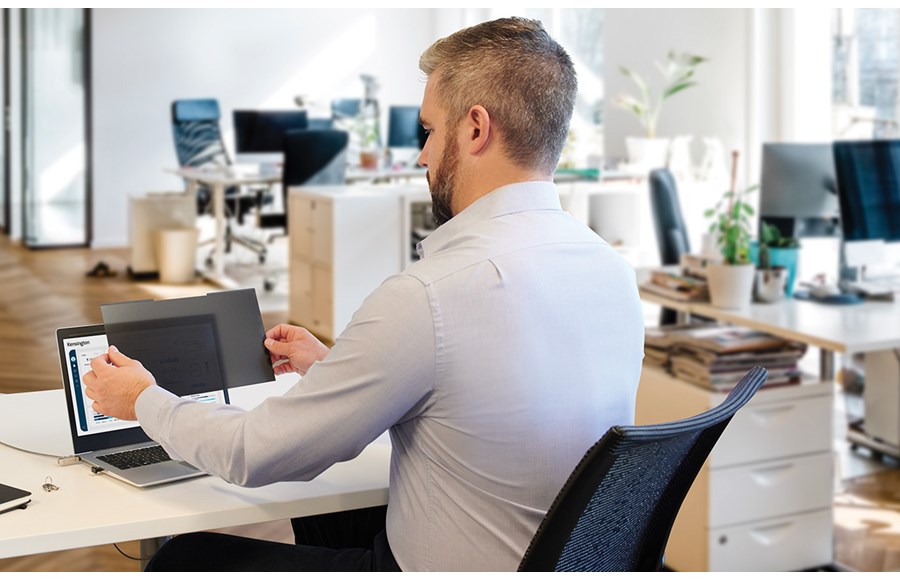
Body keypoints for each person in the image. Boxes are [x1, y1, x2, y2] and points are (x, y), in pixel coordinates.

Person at [83, 17, 644, 572]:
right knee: (321, 518)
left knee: (188, 557)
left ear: (475, 129)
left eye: (429, 131)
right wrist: (340, 368)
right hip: (563, 559)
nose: (423, 156)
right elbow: (492, 402)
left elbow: (254, 452)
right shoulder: (613, 274)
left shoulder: (430, 296)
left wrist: (141, 399)